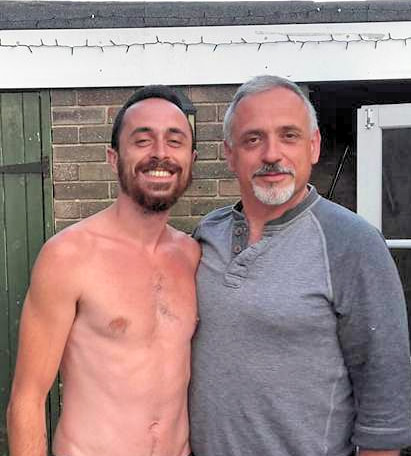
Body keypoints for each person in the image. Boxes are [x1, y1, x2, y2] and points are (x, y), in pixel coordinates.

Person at [189, 75, 411, 456]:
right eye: (253, 139)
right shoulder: (206, 235)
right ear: (230, 154)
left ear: (313, 146)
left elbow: (384, 396)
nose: (271, 154)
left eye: (289, 136)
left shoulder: (353, 243)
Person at [7, 85, 200, 456]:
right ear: (114, 158)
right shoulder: (69, 256)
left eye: (174, 141)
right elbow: (27, 400)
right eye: (142, 140)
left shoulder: (191, 256)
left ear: (190, 159)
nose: (160, 153)